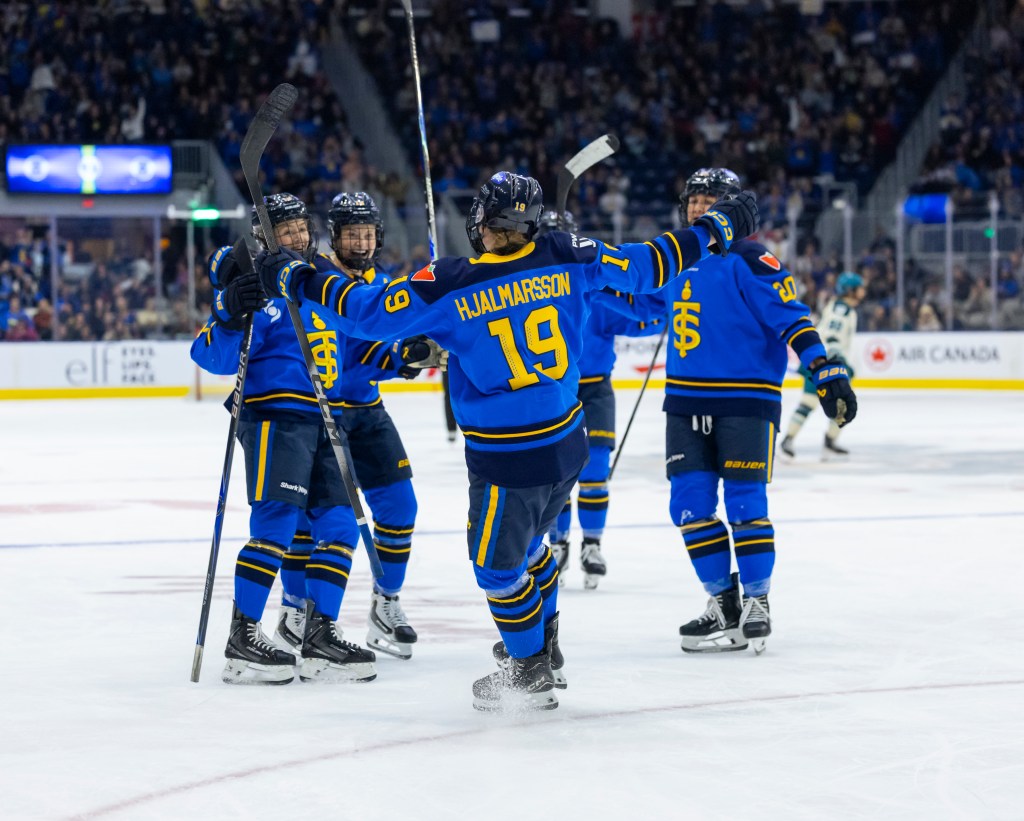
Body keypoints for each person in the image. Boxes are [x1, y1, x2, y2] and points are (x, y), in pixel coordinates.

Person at [255, 171, 759, 711]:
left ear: (487, 224)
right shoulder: (569, 252)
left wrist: (295, 277)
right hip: (568, 443)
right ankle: (546, 647)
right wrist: (719, 226)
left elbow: (364, 315)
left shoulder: (450, 281)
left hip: (507, 459)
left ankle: (528, 668)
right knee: (538, 547)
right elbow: (649, 265)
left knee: (496, 569)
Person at [663, 168, 857, 656]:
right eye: (694, 199)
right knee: (688, 508)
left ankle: (757, 601)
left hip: (745, 401)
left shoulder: (751, 257)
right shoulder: (675, 258)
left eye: (711, 199)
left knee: (746, 504)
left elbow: (791, 317)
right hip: (684, 403)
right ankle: (723, 603)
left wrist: (825, 370)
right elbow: (635, 304)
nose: (699, 207)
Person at [191, 192, 377, 685]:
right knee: (275, 525)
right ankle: (242, 637)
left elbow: (358, 346)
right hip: (276, 416)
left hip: (326, 417)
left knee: (340, 526)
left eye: (299, 227)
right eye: (283, 230)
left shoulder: (318, 281)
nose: (295, 236)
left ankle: (318, 634)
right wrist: (229, 310)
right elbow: (210, 356)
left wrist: (403, 356)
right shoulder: (254, 286)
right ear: (263, 237)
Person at [273, 191, 436, 661]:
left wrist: (419, 346)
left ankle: (387, 602)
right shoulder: (317, 278)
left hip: (368, 412)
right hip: (322, 415)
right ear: (335, 236)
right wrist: (395, 358)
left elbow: (391, 341)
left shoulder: (382, 280)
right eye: (352, 233)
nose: (361, 241)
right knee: (312, 520)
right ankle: (296, 609)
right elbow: (346, 358)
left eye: (367, 232)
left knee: (400, 506)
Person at [535, 210, 665, 590]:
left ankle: (592, 545)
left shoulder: (593, 290)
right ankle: (557, 544)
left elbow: (648, 315)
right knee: (557, 475)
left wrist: (674, 295)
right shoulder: (530, 293)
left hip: (594, 389)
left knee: (594, 471)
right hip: (556, 392)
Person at [781, 271, 865, 458]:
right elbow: (832, 336)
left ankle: (828, 441)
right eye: (859, 288)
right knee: (813, 401)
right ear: (850, 290)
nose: (862, 291)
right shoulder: (842, 309)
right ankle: (788, 440)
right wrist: (835, 360)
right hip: (824, 361)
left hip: (824, 359)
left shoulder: (839, 306)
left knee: (839, 401)